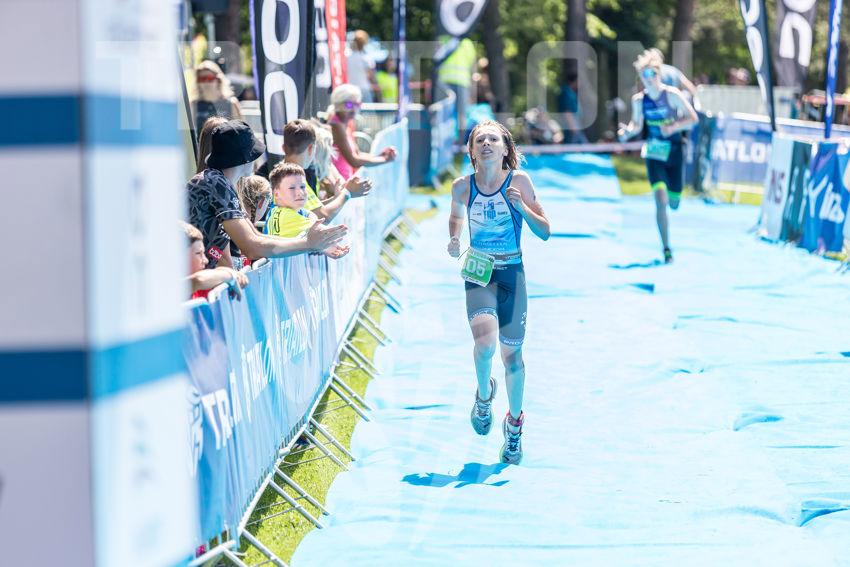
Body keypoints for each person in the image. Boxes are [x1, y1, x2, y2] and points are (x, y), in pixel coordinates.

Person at [447, 120, 551, 465]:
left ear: (506, 149)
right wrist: (454, 238)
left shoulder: (519, 182)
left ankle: (515, 426)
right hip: (479, 271)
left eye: (494, 139)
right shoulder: (462, 186)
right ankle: (483, 396)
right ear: (472, 151)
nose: (487, 144)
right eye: (480, 140)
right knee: (485, 344)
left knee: (513, 358)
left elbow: (545, 231)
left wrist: (522, 208)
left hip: (512, 273)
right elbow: (455, 217)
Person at [187, 119, 348, 270]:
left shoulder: (219, 181)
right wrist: (308, 243)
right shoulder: (216, 183)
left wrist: (312, 245)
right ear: (245, 158)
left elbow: (255, 235)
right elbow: (251, 247)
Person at [617, 50, 698, 264]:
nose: (648, 78)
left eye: (652, 73)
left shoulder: (672, 94)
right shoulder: (639, 100)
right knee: (660, 200)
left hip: (675, 151)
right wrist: (626, 133)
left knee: (674, 203)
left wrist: (673, 127)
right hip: (654, 152)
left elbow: (693, 118)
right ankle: (666, 248)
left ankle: (673, 198)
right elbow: (636, 125)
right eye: (644, 75)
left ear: (659, 73)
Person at [282, 119, 372, 222]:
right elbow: (321, 217)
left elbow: (315, 209)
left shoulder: (288, 174)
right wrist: (347, 193)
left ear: (283, 148)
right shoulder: (294, 179)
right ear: (311, 148)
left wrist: (337, 197)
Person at [264, 163, 350, 261]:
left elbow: (309, 214)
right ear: (276, 194)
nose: (300, 192)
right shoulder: (287, 216)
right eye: (292, 188)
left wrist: (325, 247)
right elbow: (321, 231)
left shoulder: (278, 209)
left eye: (302, 187)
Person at [327, 84, 397, 181]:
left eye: (357, 105)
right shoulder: (336, 125)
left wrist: (380, 156)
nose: (353, 109)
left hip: (343, 181)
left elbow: (358, 154)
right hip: (338, 183)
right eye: (349, 105)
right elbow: (354, 161)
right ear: (338, 104)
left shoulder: (344, 124)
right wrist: (384, 159)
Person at [183, 221, 248, 300]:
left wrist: (225, 270)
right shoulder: (171, 286)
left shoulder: (201, 288)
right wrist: (230, 275)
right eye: (198, 253)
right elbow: (198, 280)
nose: (205, 260)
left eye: (203, 253)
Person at [437, 36, 477, 134]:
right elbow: (473, 68)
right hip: (457, 83)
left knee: (449, 114)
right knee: (460, 115)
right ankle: (460, 139)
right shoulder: (467, 43)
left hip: (447, 82)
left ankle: (456, 139)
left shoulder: (445, 40)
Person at [191, 60, 243, 134]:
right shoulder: (193, 105)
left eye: (209, 78)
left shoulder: (231, 103)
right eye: (202, 79)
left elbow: (241, 133)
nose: (206, 82)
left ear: (218, 80)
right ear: (197, 82)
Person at [346, 30, 379, 103]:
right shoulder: (367, 59)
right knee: (367, 110)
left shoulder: (346, 57)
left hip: (349, 92)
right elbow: (372, 77)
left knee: (350, 109)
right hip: (364, 91)